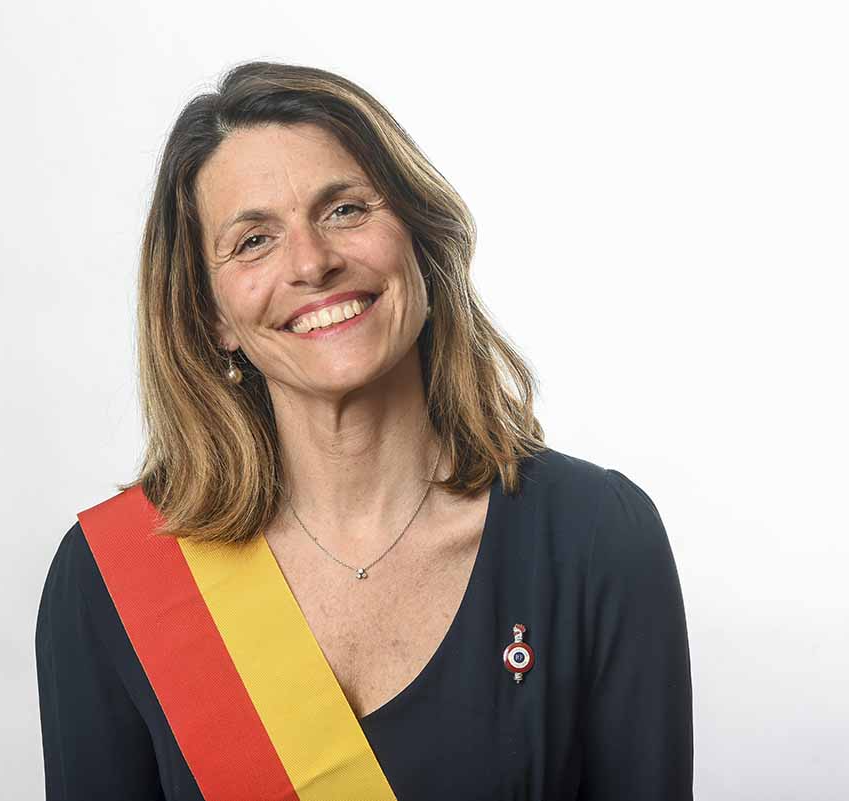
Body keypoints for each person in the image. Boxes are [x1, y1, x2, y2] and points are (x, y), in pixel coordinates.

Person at [35, 60, 694, 801]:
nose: (312, 262)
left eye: (345, 209)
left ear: (418, 237)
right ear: (212, 315)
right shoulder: (114, 582)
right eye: (253, 241)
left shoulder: (594, 537)